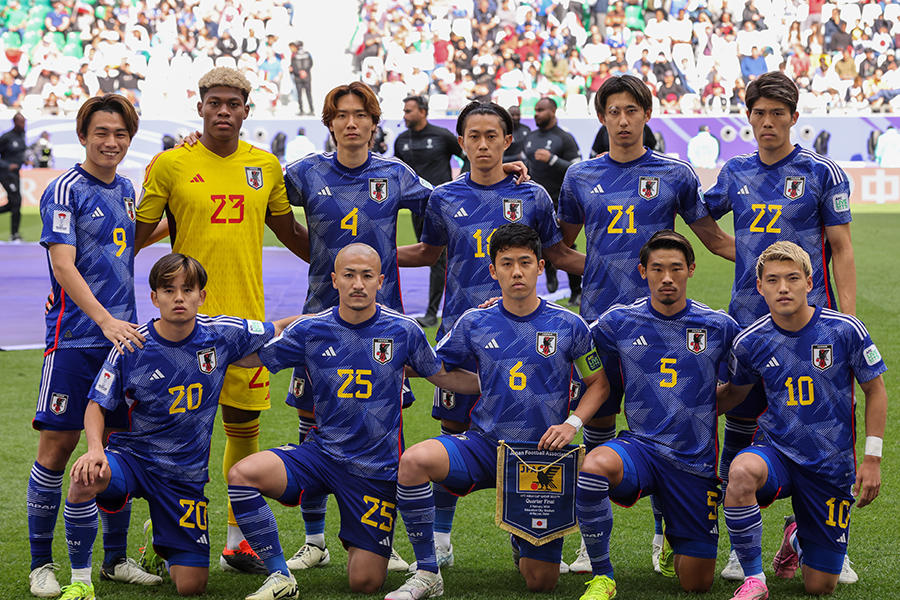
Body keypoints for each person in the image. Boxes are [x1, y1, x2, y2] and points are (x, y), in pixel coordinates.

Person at [225, 243, 481, 600]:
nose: (357, 284)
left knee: (365, 583)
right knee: (242, 475)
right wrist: (199, 344)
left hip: (375, 470)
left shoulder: (403, 330)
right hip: (321, 456)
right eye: (349, 275)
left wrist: (496, 381)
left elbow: (443, 376)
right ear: (335, 280)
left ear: (381, 281)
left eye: (366, 276)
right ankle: (280, 576)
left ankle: (367, 547)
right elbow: (254, 358)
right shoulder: (311, 329)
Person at [134, 67, 310, 575]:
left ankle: (238, 541)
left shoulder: (265, 166)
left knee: (243, 427)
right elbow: (136, 235)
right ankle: (165, 536)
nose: (224, 111)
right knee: (176, 436)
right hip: (184, 324)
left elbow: (290, 232)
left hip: (246, 323)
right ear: (201, 107)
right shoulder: (171, 163)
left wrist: (345, 267)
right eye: (215, 102)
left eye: (234, 103)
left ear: (246, 111)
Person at [397, 101, 585, 573]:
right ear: (461, 142)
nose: (483, 145)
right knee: (453, 433)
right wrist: (370, 256)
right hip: (463, 337)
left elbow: (557, 253)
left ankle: (532, 530)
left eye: (492, 136)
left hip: (528, 336)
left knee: (531, 435)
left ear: (508, 140)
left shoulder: (533, 195)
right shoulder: (443, 198)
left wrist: (632, 272)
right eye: (474, 136)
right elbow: (428, 252)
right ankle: (441, 538)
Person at [557, 74, 734, 572]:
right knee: (597, 421)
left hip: (664, 329)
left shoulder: (674, 174)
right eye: (613, 111)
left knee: (667, 427)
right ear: (601, 117)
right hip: (600, 324)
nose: (623, 120)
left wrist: (777, 263)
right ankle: (590, 546)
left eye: (631, 110)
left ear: (647, 115)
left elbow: (713, 239)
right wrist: (597, 267)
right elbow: (559, 247)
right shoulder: (579, 175)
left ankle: (666, 535)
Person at [386, 223, 609, 600]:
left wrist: (572, 424)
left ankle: (522, 537)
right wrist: (391, 364)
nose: (516, 272)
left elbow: (598, 383)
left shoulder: (569, 324)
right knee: (413, 462)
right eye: (507, 264)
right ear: (493, 270)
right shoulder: (474, 322)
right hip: (484, 446)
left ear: (541, 267)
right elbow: (439, 368)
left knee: (541, 581)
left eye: (525, 262)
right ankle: (427, 571)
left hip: (540, 456)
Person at [61, 253, 298, 599]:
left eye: (188, 290)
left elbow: (278, 327)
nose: (179, 298)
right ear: (154, 297)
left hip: (183, 476)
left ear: (202, 296)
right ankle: (81, 581)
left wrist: (332, 320)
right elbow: (97, 403)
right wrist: (95, 450)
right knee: (86, 476)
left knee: (191, 586)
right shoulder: (132, 343)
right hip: (134, 460)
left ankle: (160, 549)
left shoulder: (220, 334)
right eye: (169, 290)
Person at [702, 71, 858, 583]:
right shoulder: (735, 171)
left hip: (813, 330)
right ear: (748, 117)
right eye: (759, 113)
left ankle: (823, 537)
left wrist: (847, 320)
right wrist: (732, 249)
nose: (767, 122)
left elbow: (841, 248)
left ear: (793, 117)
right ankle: (739, 545)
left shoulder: (821, 172)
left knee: (824, 434)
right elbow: (699, 215)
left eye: (777, 113)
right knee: (739, 427)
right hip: (748, 324)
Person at [282, 82, 434, 572]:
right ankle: (314, 541)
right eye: (341, 115)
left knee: (383, 435)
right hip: (318, 320)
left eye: (360, 115)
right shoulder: (304, 172)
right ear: (329, 123)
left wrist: (501, 174)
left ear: (373, 122)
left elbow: (447, 206)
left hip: (382, 329)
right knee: (311, 427)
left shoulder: (396, 174)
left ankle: (379, 538)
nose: (351, 123)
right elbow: (260, 200)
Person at [27, 94, 161, 599]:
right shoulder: (64, 188)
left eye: (120, 134)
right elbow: (63, 264)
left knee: (117, 449)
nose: (111, 142)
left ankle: (115, 560)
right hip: (75, 340)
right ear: (83, 135)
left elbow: (126, 241)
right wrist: (105, 321)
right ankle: (41, 565)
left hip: (120, 341)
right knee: (57, 450)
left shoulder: (126, 188)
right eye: (101, 132)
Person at [575, 231, 740, 600]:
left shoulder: (719, 326)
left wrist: (704, 405)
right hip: (642, 450)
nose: (667, 278)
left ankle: (673, 536)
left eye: (676, 268)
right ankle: (602, 576)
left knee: (696, 583)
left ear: (691, 270)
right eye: (658, 269)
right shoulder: (619, 321)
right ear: (643, 272)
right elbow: (571, 338)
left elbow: (750, 367)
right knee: (594, 466)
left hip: (693, 462)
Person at [717, 241, 887, 600]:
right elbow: (733, 394)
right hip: (776, 452)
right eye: (773, 280)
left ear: (809, 283)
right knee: (741, 471)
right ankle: (754, 580)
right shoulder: (750, 341)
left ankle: (795, 536)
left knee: (820, 586)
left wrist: (872, 458)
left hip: (829, 465)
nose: (783, 288)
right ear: (760, 287)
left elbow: (876, 390)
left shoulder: (845, 330)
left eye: (792, 278)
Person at [393, 95, 464, 328]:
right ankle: (434, 311)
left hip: (445, 207)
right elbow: (398, 173)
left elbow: (466, 157)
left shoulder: (442, 136)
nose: (405, 115)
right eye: (404, 111)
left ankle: (434, 312)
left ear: (423, 112)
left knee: (445, 258)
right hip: (417, 210)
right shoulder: (401, 140)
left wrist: (460, 184)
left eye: (409, 111)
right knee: (430, 256)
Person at [523, 97, 582, 301]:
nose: (536, 114)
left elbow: (577, 169)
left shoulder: (564, 138)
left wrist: (553, 160)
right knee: (530, 244)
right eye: (535, 110)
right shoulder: (530, 137)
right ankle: (548, 270)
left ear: (553, 111)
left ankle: (576, 292)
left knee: (566, 247)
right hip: (533, 202)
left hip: (559, 201)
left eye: (541, 110)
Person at [0, 113, 26, 241]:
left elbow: (19, 154)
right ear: (15, 122)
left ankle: (15, 234)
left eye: (24, 122)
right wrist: (7, 165)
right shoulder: (6, 137)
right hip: (5, 173)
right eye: (21, 122)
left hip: (15, 174)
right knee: (16, 200)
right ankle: (14, 234)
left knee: (14, 203)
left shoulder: (22, 135)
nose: (23, 125)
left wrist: (25, 161)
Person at [589, 123, 656, 158]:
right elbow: (594, 156)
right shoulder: (604, 129)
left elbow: (653, 154)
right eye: (615, 112)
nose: (623, 121)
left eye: (630, 111)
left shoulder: (644, 128)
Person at [289, 41, 314, 116]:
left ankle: (301, 110)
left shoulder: (294, 55)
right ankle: (311, 110)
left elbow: (293, 66)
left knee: (299, 94)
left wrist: (299, 72)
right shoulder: (307, 54)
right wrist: (305, 71)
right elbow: (311, 63)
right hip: (307, 77)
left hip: (298, 78)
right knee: (308, 94)